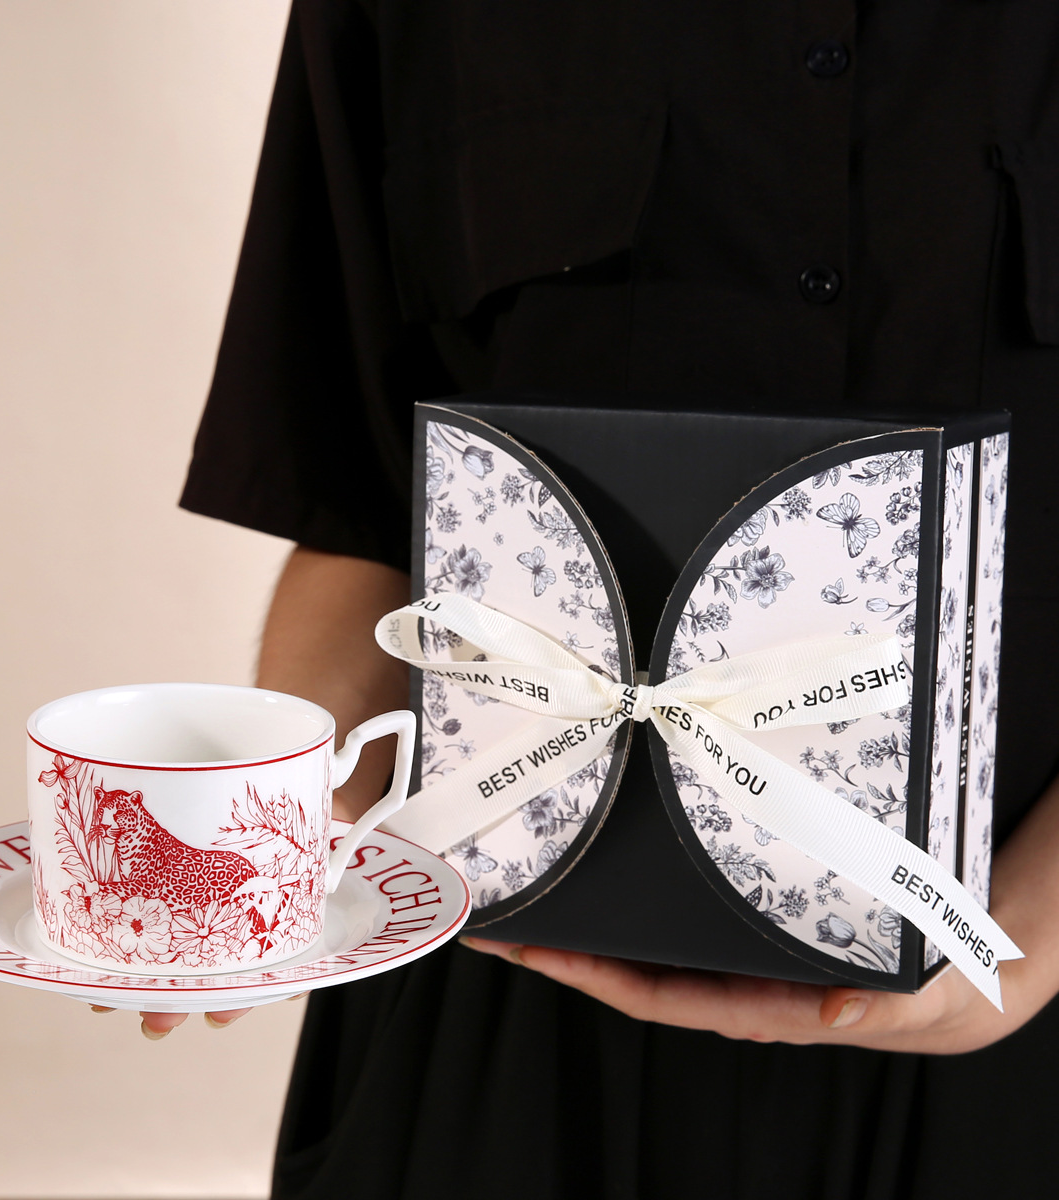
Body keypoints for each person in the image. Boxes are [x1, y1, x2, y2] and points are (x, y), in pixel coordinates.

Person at [154, 3, 1059, 1196]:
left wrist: (1029, 943)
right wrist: (279, 846)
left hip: (1009, 996)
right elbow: (363, 507)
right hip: (496, 996)